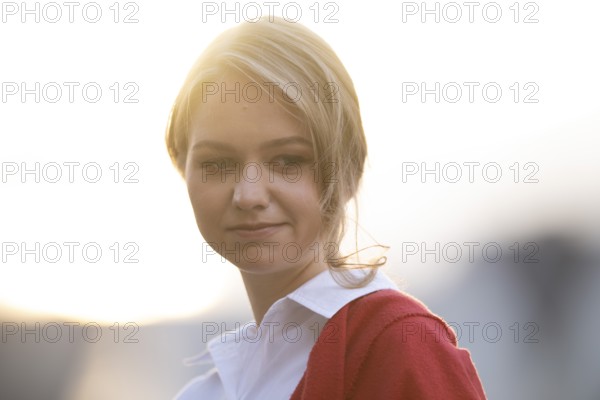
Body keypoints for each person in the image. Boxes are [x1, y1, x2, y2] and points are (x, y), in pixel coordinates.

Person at [166, 16, 487, 399]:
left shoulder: (401, 345)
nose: (248, 195)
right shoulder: (204, 392)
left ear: (349, 171)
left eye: (288, 161)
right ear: (182, 168)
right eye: (217, 164)